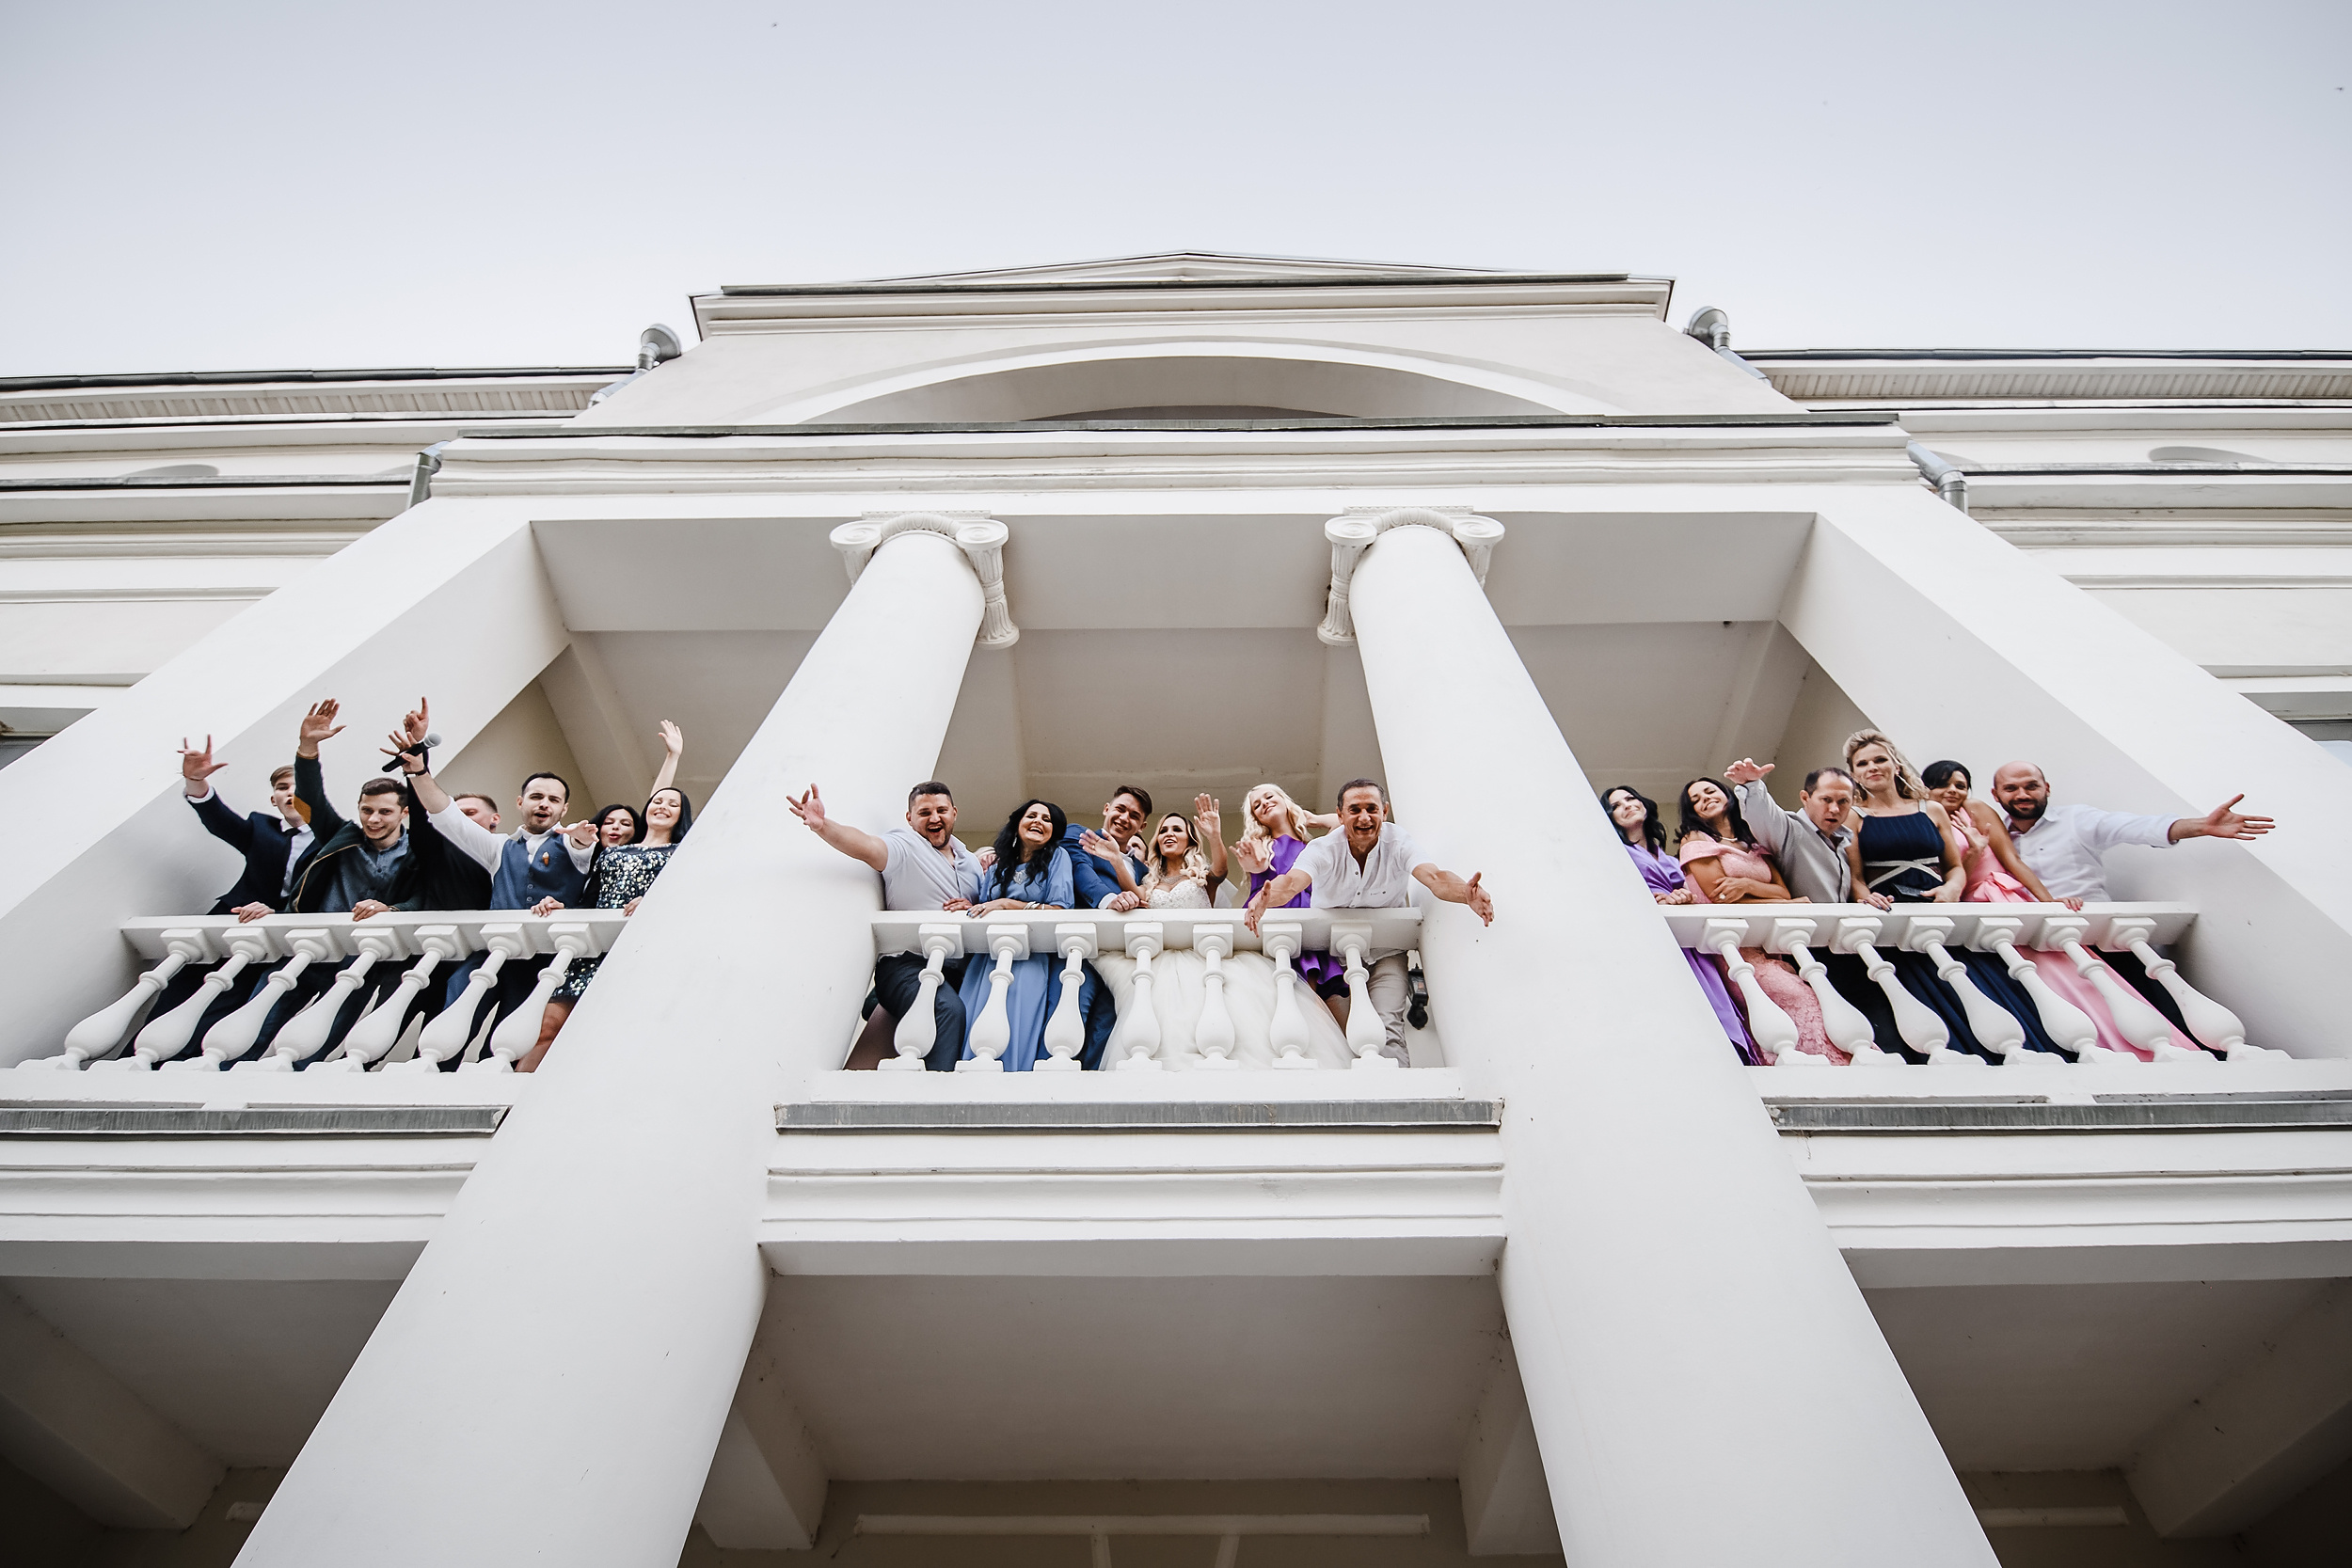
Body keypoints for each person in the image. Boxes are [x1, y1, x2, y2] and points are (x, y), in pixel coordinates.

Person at [1923, 758, 2195, 1059]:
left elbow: (2013, 862)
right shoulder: (1923, 823)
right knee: (2027, 985)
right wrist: (1974, 851)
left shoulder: (1983, 812)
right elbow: (1950, 878)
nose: (1952, 791)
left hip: (2041, 911)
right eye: (1942, 785)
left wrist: (2046, 901)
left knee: (2095, 980)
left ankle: (2153, 1045)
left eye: (1960, 785)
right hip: (1976, 910)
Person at [1991, 760, 2273, 1046]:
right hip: (2036, 951)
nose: (2022, 794)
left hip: (2102, 940)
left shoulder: (2077, 820)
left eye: (2031, 786)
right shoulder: (1990, 837)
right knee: (2083, 1032)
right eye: (2011, 788)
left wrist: (2202, 826)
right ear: (1996, 795)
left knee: (2164, 1014)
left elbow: (2139, 827)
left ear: (2046, 788)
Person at [1242, 779, 1493, 1065]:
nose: (1364, 818)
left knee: (1388, 1026)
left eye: (1371, 809)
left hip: (1387, 953)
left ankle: (1399, 1100)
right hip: (1337, 959)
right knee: (1347, 1036)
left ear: (1384, 811)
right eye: (1355, 809)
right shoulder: (1323, 850)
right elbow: (1290, 884)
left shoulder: (1398, 842)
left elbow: (1434, 878)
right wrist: (1265, 898)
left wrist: (1466, 894)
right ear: (1340, 815)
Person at [1844, 731, 2058, 1062]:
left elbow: (1955, 867)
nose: (1872, 767)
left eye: (1879, 759)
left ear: (1895, 764)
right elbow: (1855, 877)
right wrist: (1867, 896)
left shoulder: (1931, 810)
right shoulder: (1854, 817)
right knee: (1922, 989)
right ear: (1854, 774)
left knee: (1972, 979)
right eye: (1863, 763)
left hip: (1940, 907)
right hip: (1894, 917)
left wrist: (1951, 889)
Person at [1091, 804, 1355, 1069]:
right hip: (1167, 966)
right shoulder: (1149, 885)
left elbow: (1220, 869)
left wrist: (1215, 834)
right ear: (1157, 841)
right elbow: (1134, 893)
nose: (1169, 834)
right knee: (1172, 1027)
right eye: (1163, 831)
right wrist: (1116, 859)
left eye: (1177, 829)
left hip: (1208, 956)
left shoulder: (1202, 876)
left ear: (1189, 839)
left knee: (1235, 1024)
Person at [790, 781, 986, 1071]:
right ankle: (935, 1103)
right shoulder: (904, 846)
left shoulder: (971, 863)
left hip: (957, 969)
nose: (934, 818)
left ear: (954, 813)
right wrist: (822, 825)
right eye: (925, 812)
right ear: (910, 818)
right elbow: (866, 845)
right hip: (908, 965)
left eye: (941, 810)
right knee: (946, 1010)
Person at [522, 785, 693, 1071]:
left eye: (672, 804)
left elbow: (691, 898)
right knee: (547, 1028)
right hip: (589, 954)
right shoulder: (612, 853)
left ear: (681, 815)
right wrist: (561, 907)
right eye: (657, 801)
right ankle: (512, 1104)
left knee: (609, 1039)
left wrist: (657, 900)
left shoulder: (683, 854)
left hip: (639, 955)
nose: (663, 806)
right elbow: (590, 901)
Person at [1673, 778, 1841, 1065]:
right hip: (1737, 951)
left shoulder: (1752, 843)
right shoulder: (1696, 841)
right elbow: (1721, 896)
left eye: (1709, 791)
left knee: (1807, 1000)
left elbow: (1782, 891)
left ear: (1726, 794)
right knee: (1798, 998)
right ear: (1693, 812)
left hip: (1769, 946)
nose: (1704, 799)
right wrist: (1782, 903)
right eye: (1696, 799)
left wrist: (1746, 885)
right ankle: (1827, 1064)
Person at [1604, 785, 1755, 1063]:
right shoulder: (1613, 853)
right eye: (1615, 805)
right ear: (1610, 817)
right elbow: (1612, 891)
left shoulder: (1668, 856)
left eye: (1630, 798)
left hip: (1689, 939)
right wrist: (1653, 898)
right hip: (1652, 936)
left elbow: (1691, 890)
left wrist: (1684, 896)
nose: (1626, 805)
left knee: (1714, 1000)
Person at [946, 800, 1090, 1070]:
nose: (1038, 821)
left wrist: (1007, 904)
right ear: (1018, 823)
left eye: (1047, 819)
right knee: (973, 1022)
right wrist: (971, 905)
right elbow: (986, 904)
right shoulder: (1000, 864)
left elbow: (1060, 908)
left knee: (1016, 1022)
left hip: (1029, 957)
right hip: (986, 959)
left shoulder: (1058, 858)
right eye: (1032, 815)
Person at [1231, 784, 1346, 999]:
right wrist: (1254, 865)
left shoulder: (1312, 847)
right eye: (1257, 805)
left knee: (1336, 1011)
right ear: (1256, 818)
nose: (1264, 803)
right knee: (1305, 1002)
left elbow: (1342, 823)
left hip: (1312, 926)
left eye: (1269, 797)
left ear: (1285, 800)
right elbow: (1258, 865)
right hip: (1281, 923)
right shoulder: (1262, 845)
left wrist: (1309, 819)